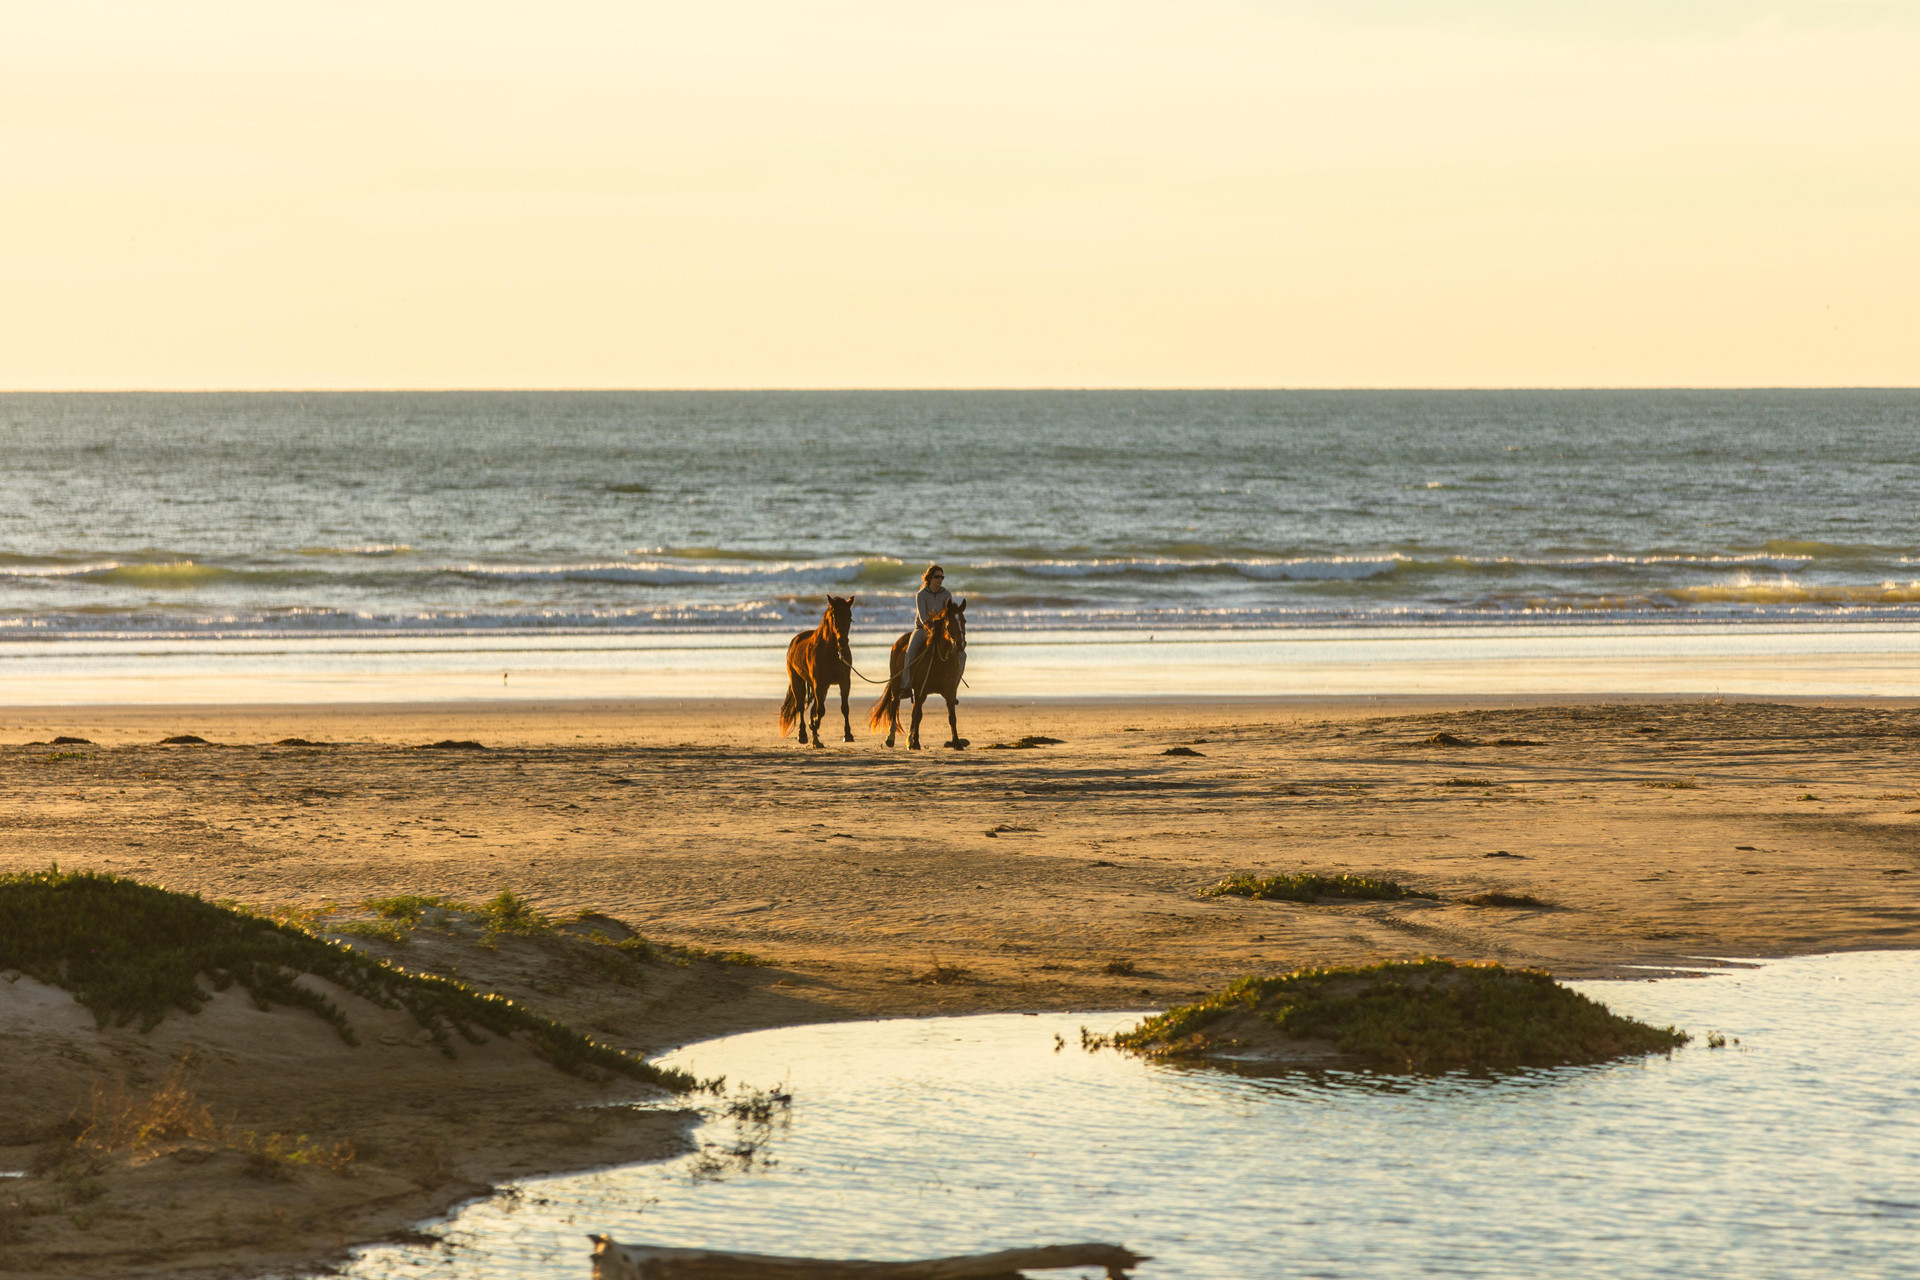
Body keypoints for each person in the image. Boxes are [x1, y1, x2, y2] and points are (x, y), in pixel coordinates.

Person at [899, 564, 964, 693]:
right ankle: (905, 686)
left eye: (942, 577)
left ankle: (953, 687)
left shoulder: (946, 594)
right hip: (922, 629)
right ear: (930, 578)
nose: (940, 579)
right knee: (910, 652)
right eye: (937, 577)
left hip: (941, 631)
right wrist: (931, 624)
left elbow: (949, 614)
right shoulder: (921, 595)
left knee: (962, 655)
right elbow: (923, 618)